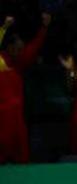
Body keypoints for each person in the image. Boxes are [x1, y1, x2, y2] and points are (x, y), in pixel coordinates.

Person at [0, 13, 50, 164]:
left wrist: (44, 28)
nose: (21, 51)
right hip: (1, 118)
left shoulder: (19, 62)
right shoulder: (1, 60)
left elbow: (33, 47)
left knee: (21, 158)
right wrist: (4, 27)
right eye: (18, 48)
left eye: (21, 49)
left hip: (17, 120)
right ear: (9, 47)